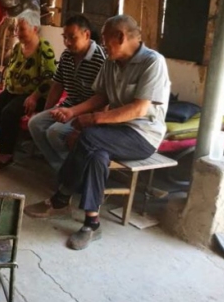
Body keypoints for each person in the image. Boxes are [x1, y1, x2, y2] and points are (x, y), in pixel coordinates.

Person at [24, 15, 171, 250]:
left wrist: (93, 120)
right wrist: (74, 112)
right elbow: (101, 97)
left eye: (105, 39)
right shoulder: (111, 62)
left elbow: (139, 109)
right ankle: (92, 223)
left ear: (120, 37)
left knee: (89, 137)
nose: (102, 44)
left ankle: (61, 198)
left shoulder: (153, 62)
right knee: (96, 154)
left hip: (142, 136)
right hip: (114, 131)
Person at [28, 15, 106, 171]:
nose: (67, 42)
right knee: (35, 124)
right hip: (68, 106)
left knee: (55, 132)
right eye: (65, 37)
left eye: (72, 37)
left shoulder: (100, 60)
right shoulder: (67, 55)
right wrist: (47, 111)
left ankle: (74, 170)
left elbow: (103, 99)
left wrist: (92, 123)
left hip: (87, 112)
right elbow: (57, 85)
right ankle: (61, 168)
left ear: (86, 35)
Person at [0, 12, 56, 169]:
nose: (17, 33)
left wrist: (34, 97)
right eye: (16, 29)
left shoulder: (44, 48)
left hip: (34, 94)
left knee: (9, 112)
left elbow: (50, 79)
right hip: (13, 91)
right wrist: (5, 86)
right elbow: (11, 69)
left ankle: (5, 153)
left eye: (22, 29)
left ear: (34, 28)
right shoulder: (17, 47)